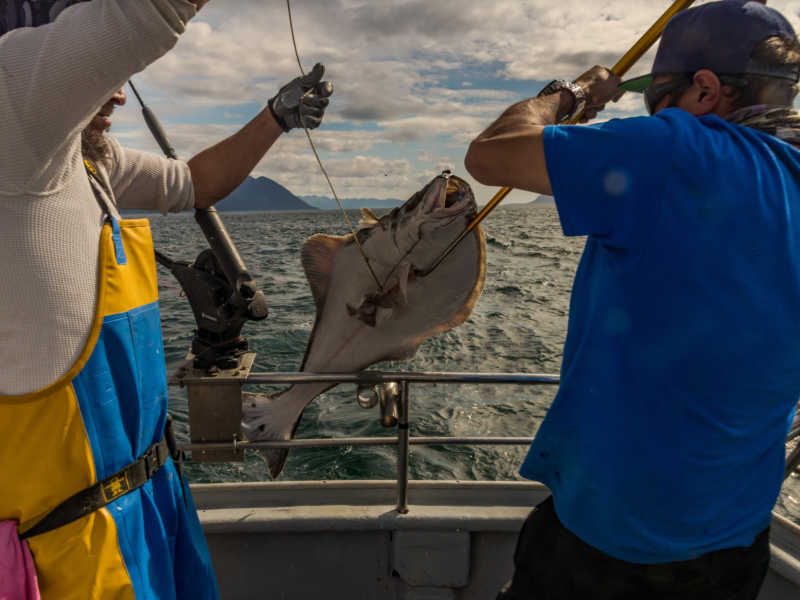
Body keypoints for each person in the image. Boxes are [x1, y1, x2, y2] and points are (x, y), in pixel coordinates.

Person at [465, 1, 800, 599]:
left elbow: (490, 152)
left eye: (657, 96)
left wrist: (569, 94)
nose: (650, 111)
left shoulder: (675, 150)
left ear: (703, 89)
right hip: (738, 538)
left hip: (616, 544)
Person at [0, 1, 333, 598]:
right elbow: (146, 12)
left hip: (150, 508)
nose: (119, 96)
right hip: (67, 552)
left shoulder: (89, 166)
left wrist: (276, 117)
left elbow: (195, 182)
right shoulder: (10, 116)